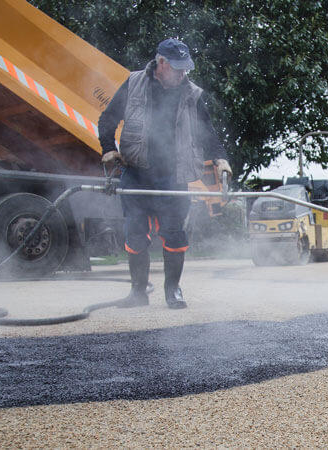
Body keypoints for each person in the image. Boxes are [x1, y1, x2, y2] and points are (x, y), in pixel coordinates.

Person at [98, 38, 230, 309]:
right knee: (135, 234)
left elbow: (209, 133)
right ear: (161, 63)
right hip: (137, 174)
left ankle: (173, 290)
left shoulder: (191, 94)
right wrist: (108, 148)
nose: (183, 74)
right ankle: (138, 293)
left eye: (185, 69)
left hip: (174, 176)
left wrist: (221, 159)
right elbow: (107, 119)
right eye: (178, 68)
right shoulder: (134, 83)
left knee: (175, 235)